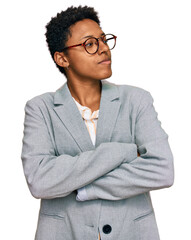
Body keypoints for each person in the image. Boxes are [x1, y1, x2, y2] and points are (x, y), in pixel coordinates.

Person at [21, 5, 174, 240]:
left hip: (132, 232)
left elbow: (162, 170)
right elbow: (41, 181)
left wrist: (82, 186)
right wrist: (122, 152)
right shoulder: (40, 109)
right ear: (62, 58)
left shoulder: (136, 100)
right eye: (89, 44)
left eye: (103, 40)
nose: (104, 49)